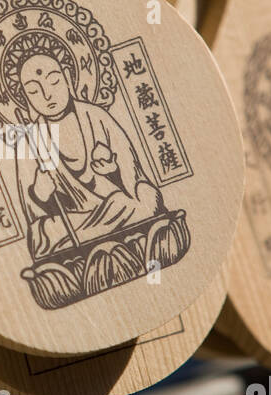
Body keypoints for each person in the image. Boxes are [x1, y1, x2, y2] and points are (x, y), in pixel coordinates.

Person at [9, 48, 163, 259]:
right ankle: (117, 242)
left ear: (67, 77)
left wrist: (113, 173)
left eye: (54, 81)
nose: (47, 95)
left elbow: (134, 179)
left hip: (119, 206)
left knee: (148, 197)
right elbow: (33, 216)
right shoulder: (29, 141)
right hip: (73, 222)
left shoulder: (97, 117)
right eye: (34, 91)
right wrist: (40, 194)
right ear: (26, 98)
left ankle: (95, 246)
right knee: (42, 235)